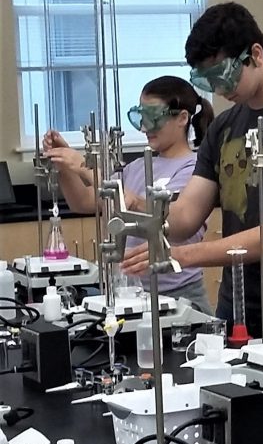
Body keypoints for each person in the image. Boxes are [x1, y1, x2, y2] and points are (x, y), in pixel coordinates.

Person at [122, 2, 263, 342]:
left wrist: (182, 256)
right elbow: (184, 220)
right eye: (207, 80)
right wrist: (137, 212)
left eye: (223, 75)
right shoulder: (224, 127)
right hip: (237, 306)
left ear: (255, 54)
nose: (220, 90)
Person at [43, 75, 214, 313]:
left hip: (179, 296)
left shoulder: (194, 167)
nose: (145, 128)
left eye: (153, 118)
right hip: (132, 293)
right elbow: (83, 201)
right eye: (141, 118)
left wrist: (83, 165)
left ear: (182, 118)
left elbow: (166, 217)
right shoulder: (136, 168)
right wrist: (64, 164)